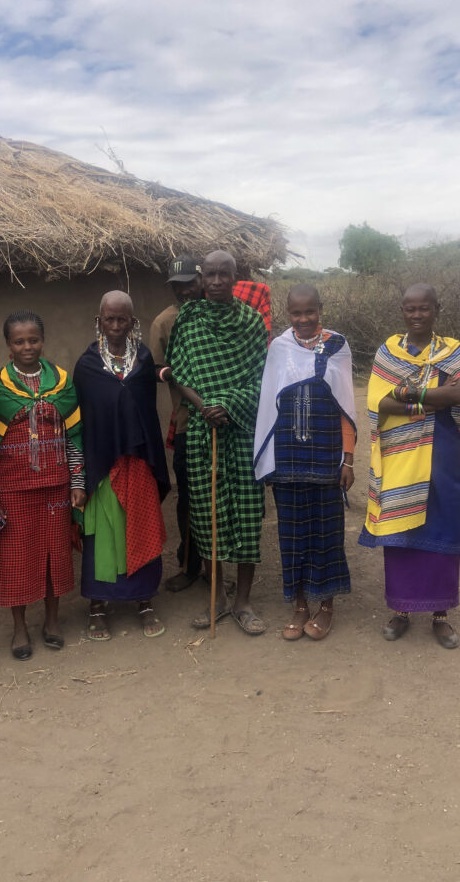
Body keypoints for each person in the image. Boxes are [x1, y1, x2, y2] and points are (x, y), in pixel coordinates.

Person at [358, 283, 460, 649]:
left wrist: (411, 393)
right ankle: (402, 610)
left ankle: (441, 615)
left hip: (444, 453)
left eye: (423, 308)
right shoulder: (388, 353)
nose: (416, 315)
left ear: (436, 310)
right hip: (401, 456)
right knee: (402, 530)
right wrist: (426, 404)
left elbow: (458, 394)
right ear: (402, 311)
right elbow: (379, 403)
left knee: (444, 526)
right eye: (410, 309)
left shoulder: (450, 350)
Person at [167, 250, 268, 635]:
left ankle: (243, 601)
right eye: (209, 274)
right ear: (201, 277)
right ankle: (218, 601)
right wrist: (206, 405)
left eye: (224, 274)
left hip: (242, 430)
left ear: (235, 276)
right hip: (201, 430)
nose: (216, 282)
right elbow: (179, 372)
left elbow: (261, 377)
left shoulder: (250, 321)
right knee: (208, 519)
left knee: (246, 515)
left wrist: (227, 404)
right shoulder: (188, 320)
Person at [0, 311, 85, 659]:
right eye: (19, 341)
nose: (27, 347)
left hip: (55, 486)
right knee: (15, 559)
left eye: (33, 340)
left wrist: (77, 481)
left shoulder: (63, 382)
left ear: (43, 340)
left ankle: (52, 620)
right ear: (8, 345)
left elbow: (74, 437)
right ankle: (19, 627)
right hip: (11, 491)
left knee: (55, 554)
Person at [254, 285, 357, 640]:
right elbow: (269, 403)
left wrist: (349, 459)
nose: (303, 320)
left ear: (320, 310)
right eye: (296, 314)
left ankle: (326, 606)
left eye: (309, 312)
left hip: (327, 455)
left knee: (327, 534)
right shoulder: (279, 348)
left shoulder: (337, 346)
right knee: (292, 533)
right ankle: (299, 605)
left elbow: (345, 406)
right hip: (287, 457)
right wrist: (267, 458)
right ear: (287, 314)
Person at [73, 291, 170, 640]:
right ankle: (98, 605)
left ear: (133, 322)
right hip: (102, 464)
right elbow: (84, 418)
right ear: (99, 320)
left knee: (140, 527)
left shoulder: (144, 361)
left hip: (139, 463)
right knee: (103, 534)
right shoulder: (87, 365)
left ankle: (144, 601)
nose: (115, 326)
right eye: (109, 319)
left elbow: (145, 411)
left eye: (122, 319)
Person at [150, 255, 204, 591]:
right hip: (187, 421)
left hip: (225, 419)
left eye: (189, 283)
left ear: (201, 280)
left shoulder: (222, 315)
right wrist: (174, 373)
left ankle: (215, 568)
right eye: (177, 286)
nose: (184, 291)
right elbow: (154, 368)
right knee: (188, 497)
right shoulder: (164, 322)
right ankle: (189, 564)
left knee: (219, 497)